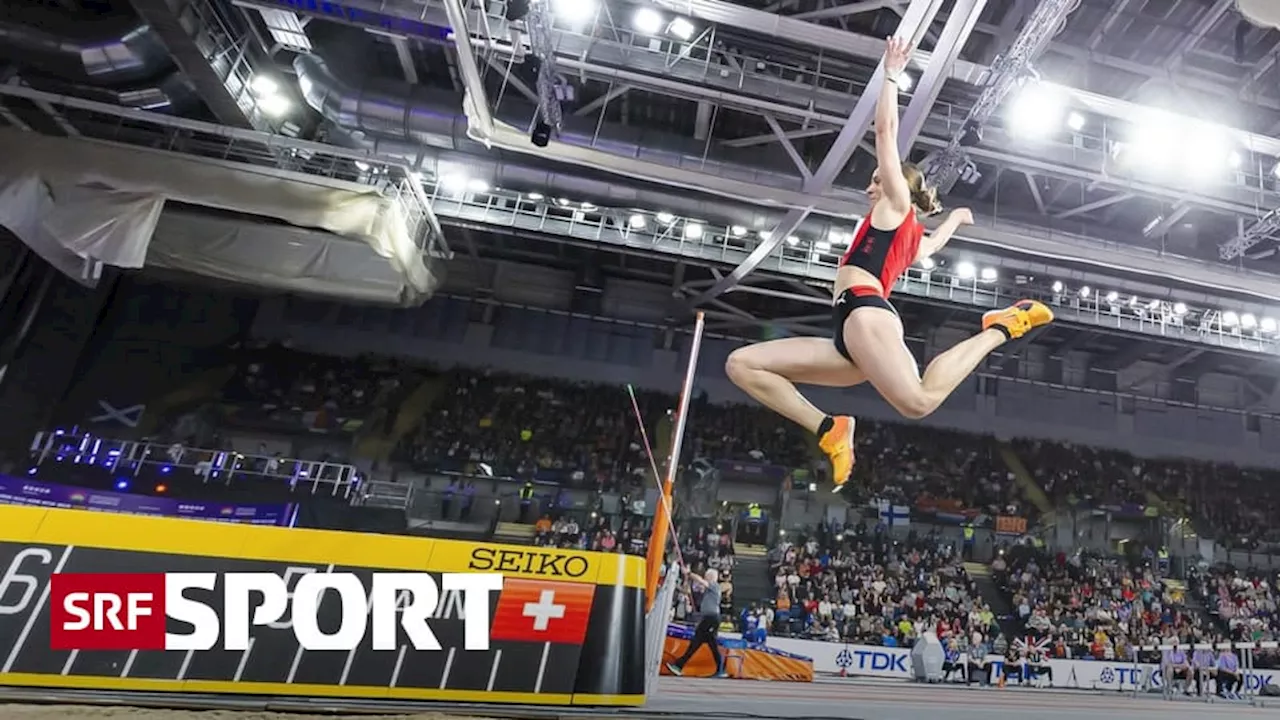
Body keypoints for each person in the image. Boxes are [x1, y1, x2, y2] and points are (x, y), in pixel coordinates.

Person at [724, 36, 1054, 491]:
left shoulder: (896, 206)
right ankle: (829, 429)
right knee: (742, 365)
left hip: (866, 315)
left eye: (877, 180)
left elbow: (885, 133)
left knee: (917, 402)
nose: (870, 188)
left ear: (900, 184)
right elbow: (931, 248)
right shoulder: (908, 235)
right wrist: (955, 218)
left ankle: (1001, 326)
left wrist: (892, 76)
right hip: (849, 329)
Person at [666, 566, 727, 678]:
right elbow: (691, 589)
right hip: (708, 619)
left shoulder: (714, 585)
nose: (705, 577)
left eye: (707, 576)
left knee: (698, 643)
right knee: (704, 644)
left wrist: (689, 573)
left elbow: (700, 580)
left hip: (711, 618)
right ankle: (720, 669)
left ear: (711, 577)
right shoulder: (709, 590)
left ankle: (680, 665)